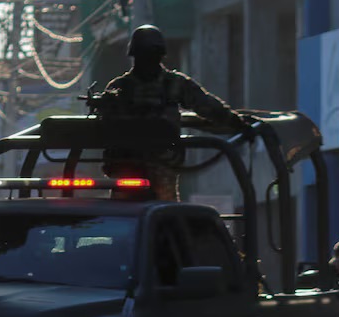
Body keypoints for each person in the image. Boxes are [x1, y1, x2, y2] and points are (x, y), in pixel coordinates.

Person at [97, 24, 250, 203]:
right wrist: (238, 124)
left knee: (159, 213)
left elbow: (209, 108)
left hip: (157, 165)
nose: (147, 62)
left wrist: (237, 124)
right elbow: (209, 107)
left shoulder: (167, 84)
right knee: (147, 213)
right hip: (133, 165)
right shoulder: (124, 88)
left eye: (150, 56)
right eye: (145, 56)